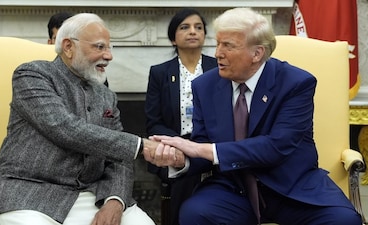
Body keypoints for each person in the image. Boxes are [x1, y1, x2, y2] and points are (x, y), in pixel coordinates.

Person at [145, 8, 363, 225]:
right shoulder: (205, 85)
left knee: (344, 220)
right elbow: (202, 143)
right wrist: (181, 158)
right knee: (195, 213)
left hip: (291, 187)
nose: (218, 53)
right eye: (218, 43)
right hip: (233, 187)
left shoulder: (296, 83)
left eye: (228, 46)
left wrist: (202, 149)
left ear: (257, 53)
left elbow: (277, 146)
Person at [0, 13, 160, 225]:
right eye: (99, 47)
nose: (109, 56)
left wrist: (114, 201)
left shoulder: (106, 95)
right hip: (25, 191)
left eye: (109, 48)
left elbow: (118, 158)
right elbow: (64, 127)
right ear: (68, 47)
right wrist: (141, 145)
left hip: (87, 194)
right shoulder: (32, 75)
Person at [144, 8, 217, 225]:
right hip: (176, 145)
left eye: (198, 27)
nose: (192, 32)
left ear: (205, 35)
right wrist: (181, 145)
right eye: (184, 27)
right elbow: (153, 121)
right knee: (184, 169)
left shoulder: (219, 68)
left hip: (211, 143)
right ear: (173, 38)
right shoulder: (160, 72)